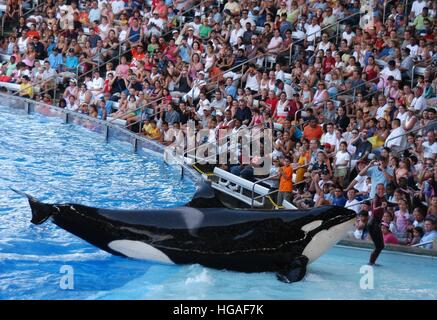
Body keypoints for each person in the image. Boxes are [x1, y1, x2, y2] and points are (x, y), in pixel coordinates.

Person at [368, 183, 388, 265]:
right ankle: (371, 263)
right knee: (379, 246)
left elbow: (388, 203)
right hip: (373, 224)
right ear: (376, 190)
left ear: (384, 190)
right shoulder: (376, 199)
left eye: (382, 189)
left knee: (380, 246)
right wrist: (381, 207)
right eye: (379, 189)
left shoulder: (383, 198)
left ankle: (372, 262)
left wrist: (398, 203)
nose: (381, 191)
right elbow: (374, 209)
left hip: (376, 224)